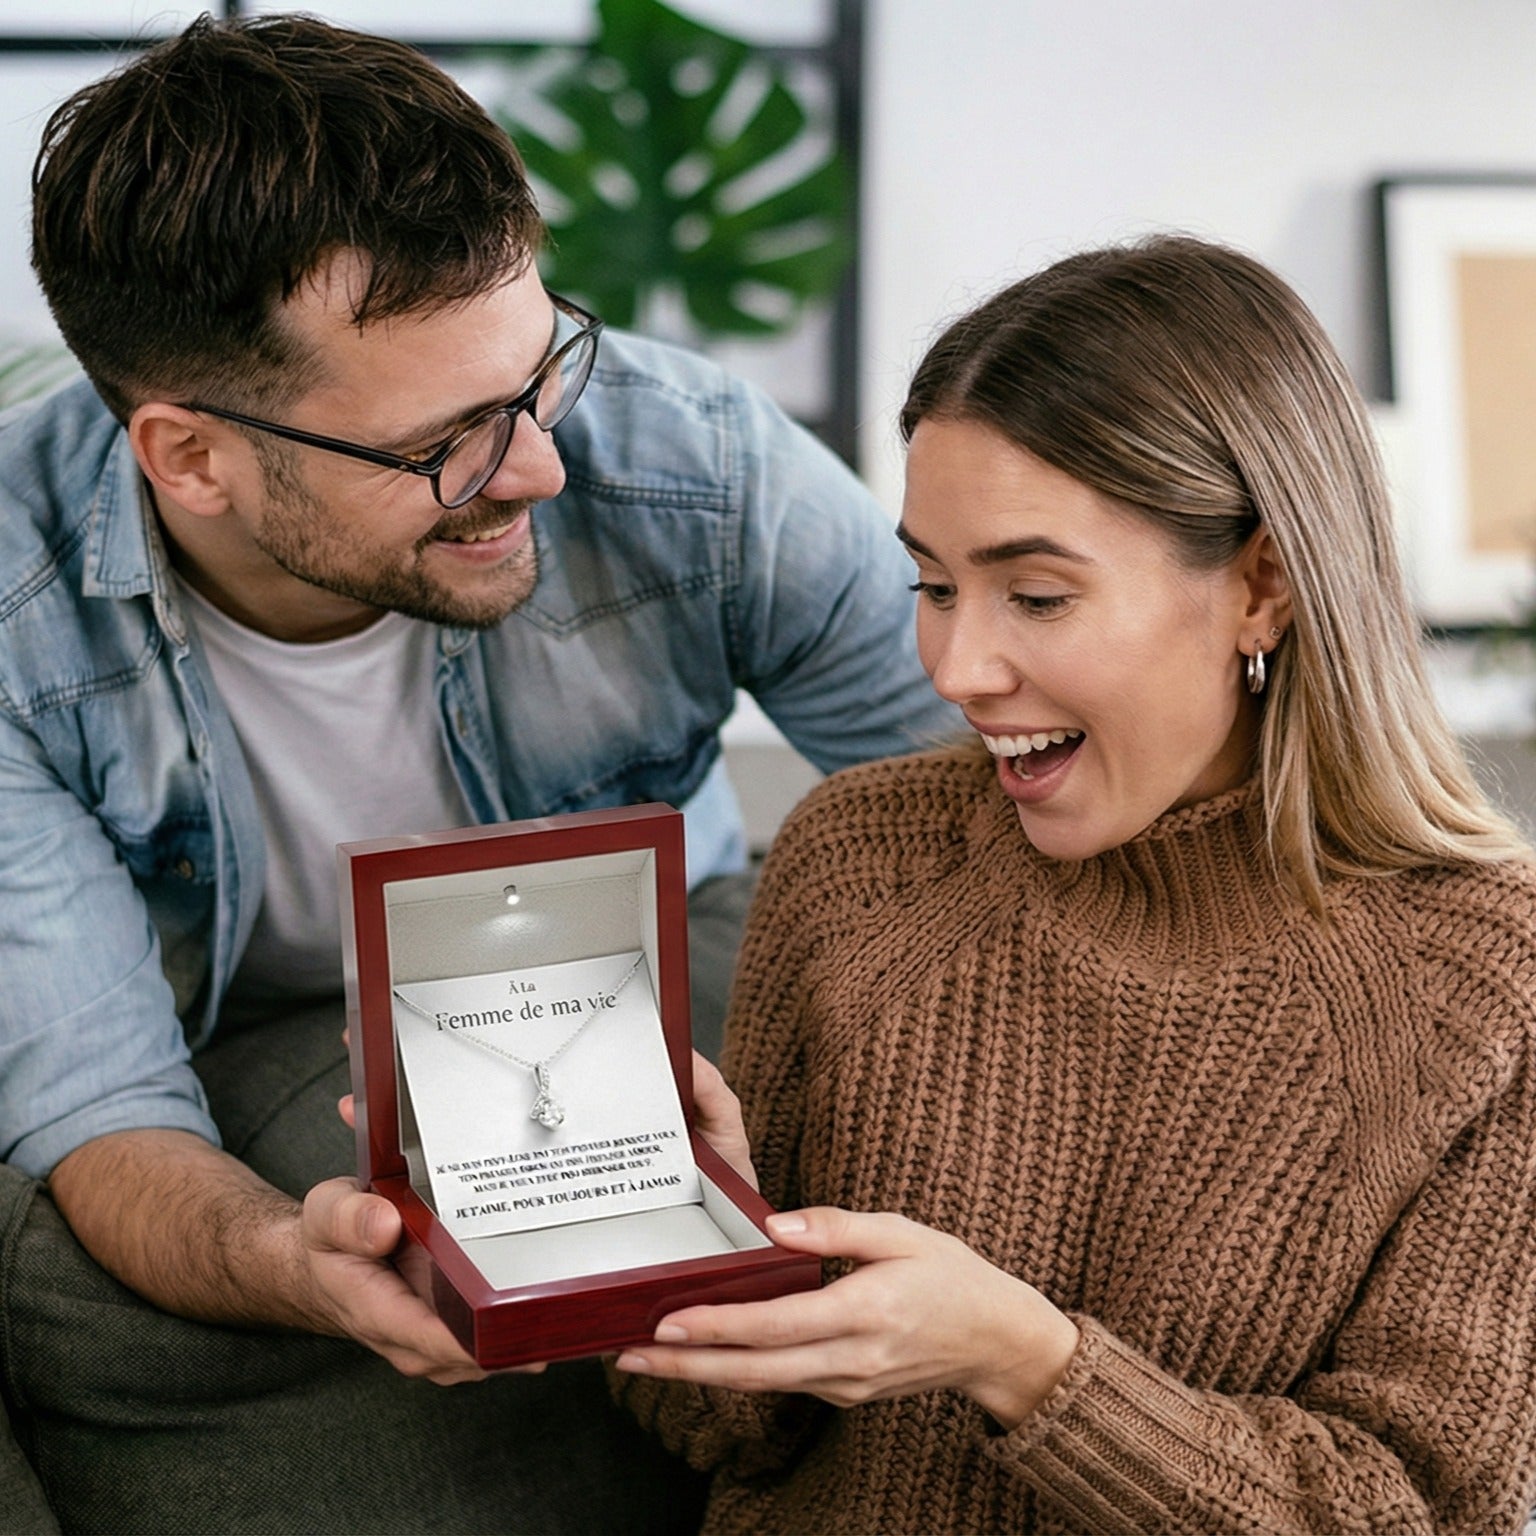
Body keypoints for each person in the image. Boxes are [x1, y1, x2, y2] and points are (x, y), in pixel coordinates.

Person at [0, 14, 954, 1534]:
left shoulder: (688, 455)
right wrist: (291, 1268)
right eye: (448, 439)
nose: (539, 469)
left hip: (669, 946)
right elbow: (103, 1112)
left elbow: (987, 814)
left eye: (542, 370)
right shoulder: (16, 622)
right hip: (247, 1029)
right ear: (189, 459)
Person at [610, 235, 1536, 1534]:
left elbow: (1423, 1513)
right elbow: (728, 1437)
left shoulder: (1486, 974)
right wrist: (677, 1235)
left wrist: (1028, 1364)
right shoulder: (857, 863)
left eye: (1036, 595)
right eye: (931, 584)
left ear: (1262, 586)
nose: (956, 667)